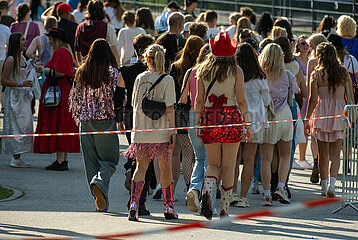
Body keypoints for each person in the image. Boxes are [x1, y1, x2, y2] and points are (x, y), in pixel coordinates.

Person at [195, 32, 251, 219]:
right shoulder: (236, 71)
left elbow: (198, 100)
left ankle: (208, 193)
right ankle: (224, 210)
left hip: (210, 118)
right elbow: (241, 100)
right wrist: (247, 123)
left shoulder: (202, 69)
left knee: (212, 164)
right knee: (228, 166)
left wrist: (197, 123)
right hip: (231, 118)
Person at [123, 44, 177, 221]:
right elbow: (170, 108)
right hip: (161, 131)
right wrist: (173, 131)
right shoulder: (167, 79)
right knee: (165, 169)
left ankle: (134, 204)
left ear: (147, 58)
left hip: (141, 129)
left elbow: (133, 103)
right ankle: (168, 207)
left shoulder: (139, 77)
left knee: (140, 167)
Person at [69, 39, 119, 212]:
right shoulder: (113, 73)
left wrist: (79, 113)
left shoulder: (81, 71)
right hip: (105, 121)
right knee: (110, 161)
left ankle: (99, 201)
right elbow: (119, 97)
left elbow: (74, 97)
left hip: (85, 121)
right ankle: (99, 184)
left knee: (91, 163)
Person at [305, 42, 353, 197]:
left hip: (321, 114)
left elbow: (312, 100)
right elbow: (350, 98)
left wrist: (307, 118)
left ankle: (324, 186)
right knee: (336, 153)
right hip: (339, 114)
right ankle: (333, 184)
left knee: (323, 154)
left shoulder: (316, 74)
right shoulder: (343, 73)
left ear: (320, 56)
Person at [118, 34, 155, 216]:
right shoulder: (155, 72)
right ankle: (140, 202)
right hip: (150, 116)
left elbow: (118, 96)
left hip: (130, 115)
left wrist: (119, 119)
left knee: (136, 153)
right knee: (146, 159)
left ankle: (131, 172)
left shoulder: (125, 70)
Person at [34, 28, 80, 170]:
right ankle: (62, 160)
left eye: (51, 38)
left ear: (57, 40)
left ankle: (60, 161)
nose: (49, 41)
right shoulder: (65, 51)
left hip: (59, 90)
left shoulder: (61, 52)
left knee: (59, 123)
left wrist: (43, 70)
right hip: (63, 90)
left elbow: (60, 72)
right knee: (63, 123)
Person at [258, 43, 298, 206]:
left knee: (266, 158)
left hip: (268, 115)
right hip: (285, 115)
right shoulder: (288, 74)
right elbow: (295, 92)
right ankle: (281, 187)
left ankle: (267, 194)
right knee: (285, 155)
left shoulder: (260, 75)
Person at [235, 42, 271, 207]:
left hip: (235, 119)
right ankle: (243, 197)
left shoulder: (234, 74)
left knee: (233, 160)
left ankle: (231, 194)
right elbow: (267, 100)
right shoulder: (260, 77)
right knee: (249, 160)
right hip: (255, 120)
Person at [170, 35, 203, 195]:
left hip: (182, 113)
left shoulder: (177, 66)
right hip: (201, 113)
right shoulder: (203, 68)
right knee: (199, 154)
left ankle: (190, 186)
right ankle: (196, 187)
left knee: (185, 152)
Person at [180, 43, 211, 213]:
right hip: (210, 116)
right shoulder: (213, 72)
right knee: (210, 161)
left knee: (199, 158)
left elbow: (183, 99)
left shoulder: (191, 72)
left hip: (192, 116)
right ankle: (205, 195)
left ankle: (193, 189)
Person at [1, 32, 33, 167]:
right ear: (16, 42)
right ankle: (15, 157)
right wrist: (20, 84)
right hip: (14, 97)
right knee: (15, 127)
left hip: (23, 97)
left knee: (25, 125)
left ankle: (19, 155)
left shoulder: (23, 58)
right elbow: (3, 80)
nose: (25, 42)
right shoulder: (11, 60)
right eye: (22, 40)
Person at [306, 33, 328, 183]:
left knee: (314, 136)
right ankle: (325, 170)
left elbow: (309, 86)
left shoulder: (312, 62)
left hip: (316, 101)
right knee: (329, 137)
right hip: (331, 104)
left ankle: (315, 161)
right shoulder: (333, 65)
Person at [74, 0, 120, 65]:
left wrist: (80, 66)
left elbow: (77, 51)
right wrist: (117, 66)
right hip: (102, 66)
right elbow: (114, 51)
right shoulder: (107, 27)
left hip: (86, 65)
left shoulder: (80, 27)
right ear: (102, 10)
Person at [294, 35, 312, 169]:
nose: (305, 46)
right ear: (298, 45)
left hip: (309, 95)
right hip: (298, 95)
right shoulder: (295, 59)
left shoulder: (311, 61)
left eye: (307, 44)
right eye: (303, 43)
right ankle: (293, 157)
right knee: (296, 126)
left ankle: (302, 157)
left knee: (305, 127)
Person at [0, 9, 10, 113]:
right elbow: (9, 44)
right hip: (2, 58)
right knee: (2, 83)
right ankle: (3, 105)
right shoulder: (5, 29)